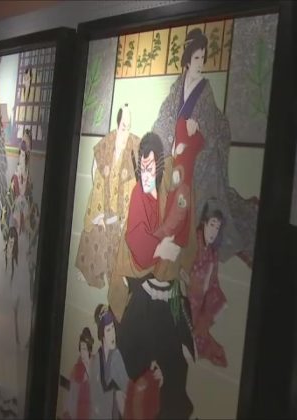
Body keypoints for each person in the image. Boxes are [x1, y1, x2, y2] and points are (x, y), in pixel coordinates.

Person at [151, 28, 257, 265]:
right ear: (187, 59)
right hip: (177, 149)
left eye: (203, 57)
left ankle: (182, 239)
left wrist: (195, 128)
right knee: (165, 180)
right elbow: (165, 115)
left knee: (187, 191)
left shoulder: (205, 89)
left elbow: (209, 129)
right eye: (196, 57)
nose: (200, 63)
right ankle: (171, 234)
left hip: (195, 152)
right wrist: (163, 142)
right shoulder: (178, 85)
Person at [117, 132, 194, 419]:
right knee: (133, 353)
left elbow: (181, 224)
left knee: (174, 361)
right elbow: (135, 239)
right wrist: (159, 247)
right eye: (143, 167)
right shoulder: (138, 194)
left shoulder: (167, 191)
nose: (147, 173)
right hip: (145, 289)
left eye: (151, 167)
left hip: (168, 290)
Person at [76, 105, 141, 320]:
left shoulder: (134, 145)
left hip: (121, 211)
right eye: (123, 125)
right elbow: (95, 173)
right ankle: (91, 274)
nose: (125, 130)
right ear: (117, 123)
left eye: (128, 126)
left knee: (118, 256)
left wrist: (124, 215)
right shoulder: (107, 144)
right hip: (103, 207)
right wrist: (99, 212)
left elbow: (136, 181)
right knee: (95, 235)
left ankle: (118, 298)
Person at [188, 200, 227, 367]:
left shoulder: (212, 254)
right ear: (204, 222)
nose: (214, 231)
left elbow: (213, 282)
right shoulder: (193, 243)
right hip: (186, 298)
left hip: (200, 301)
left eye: (217, 227)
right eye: (212, 224)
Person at [89, 304, 130, 419]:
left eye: (112, 328)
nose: (112, 334)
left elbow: (127, 389)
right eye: (108, 330)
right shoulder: (97, 359)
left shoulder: (116, 357)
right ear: (102, 334)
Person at [63, 327, 94, 420]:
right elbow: (70, 399)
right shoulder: (75, 370)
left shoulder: (96, 366)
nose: (83, 353)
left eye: (85, 349)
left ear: (90, 350)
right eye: (81, 349)